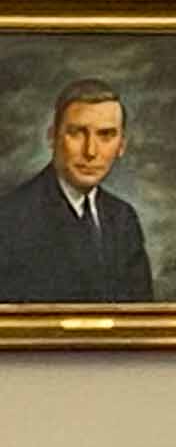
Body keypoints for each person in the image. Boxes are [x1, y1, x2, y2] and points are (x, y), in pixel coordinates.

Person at [0, 79, 154, 304]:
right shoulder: (9, 219)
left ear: (121, 146)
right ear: (52, 137)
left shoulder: (123, 218)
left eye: (106, 135)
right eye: (77, 133)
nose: (91, 151)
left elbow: (142, 319)